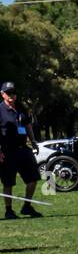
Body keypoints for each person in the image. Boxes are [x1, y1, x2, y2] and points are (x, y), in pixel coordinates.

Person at [0, 81, 42, 220]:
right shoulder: (0, 110)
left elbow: (27, 124)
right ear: (2, 94)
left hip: (23, 149)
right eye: (8, 93)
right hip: (7, 151)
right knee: (8, 182)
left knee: (33, 178)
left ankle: (27, 206)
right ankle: (9, 210)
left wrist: (33, 141)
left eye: (13, 92)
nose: (11, 95)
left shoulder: (21, 108)